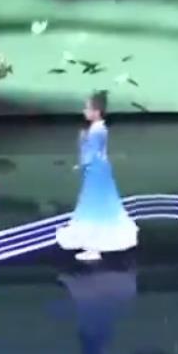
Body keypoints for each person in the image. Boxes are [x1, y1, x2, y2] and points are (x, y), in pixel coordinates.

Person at [56, 91, 139, 261]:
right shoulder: (98, 128)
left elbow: (91, 154)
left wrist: (81, 150)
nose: (84, 111)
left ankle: (94, 246)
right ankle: (93, 245)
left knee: (94, 204)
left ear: (96, 112)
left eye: (87, 108)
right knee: (97, 203)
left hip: (96, 171)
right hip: (99, 170)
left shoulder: (96, 130)